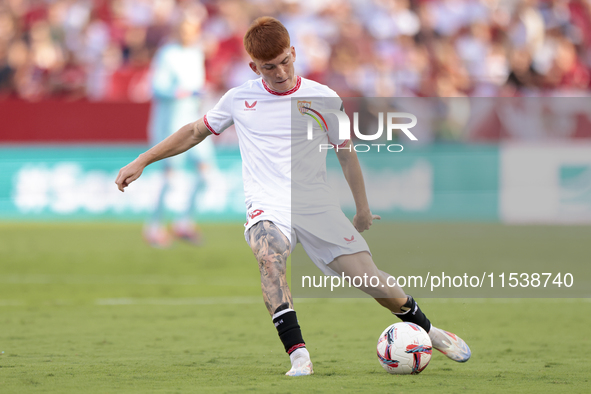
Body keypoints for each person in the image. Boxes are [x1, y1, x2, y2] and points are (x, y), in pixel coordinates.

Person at [116, 16, 471, 376]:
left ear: (294, 53)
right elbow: (194, 132)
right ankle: (298, 355)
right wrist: (143, 160)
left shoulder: (324, 98)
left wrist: (362, 210)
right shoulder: (239, 99)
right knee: (269, 255)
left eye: (286, 61)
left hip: (315, 204)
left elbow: (345, 153)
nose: (281, 72)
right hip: (266, 203)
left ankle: (431, 332)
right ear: (254, 66)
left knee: (372, 282)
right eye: (269, 67)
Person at [144, 16, 217, 247]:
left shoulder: (196, 53)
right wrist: (186, 92)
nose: (188, 35)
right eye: (184, 30)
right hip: (171, 124)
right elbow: (157, 87)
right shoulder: (167, 54)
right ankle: (154, 226)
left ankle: (184, 222)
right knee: (171, 178)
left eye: (192, 30)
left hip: (195, 123)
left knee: (206, 175)